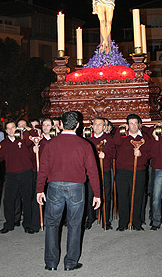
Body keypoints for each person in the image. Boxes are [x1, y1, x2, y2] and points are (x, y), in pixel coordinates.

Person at [36, 111, 101, 271]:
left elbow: (42, 169)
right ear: (78, 125)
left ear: (60, 125)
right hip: (76, 188)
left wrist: (39, 189)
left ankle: (50, 263)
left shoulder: (51, 144)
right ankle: (70, 262)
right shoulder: (85, 145)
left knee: (52, 224)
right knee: (74, 224)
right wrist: (97, 194)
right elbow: (93, 171)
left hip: (54, 187)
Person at [0, 121, 40, 234]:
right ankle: (9, 224)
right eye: (8, 128)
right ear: (6, 131)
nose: (11, 130)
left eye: (13, 127)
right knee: (8, 200)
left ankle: (27, 224)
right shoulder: (4, 143)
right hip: (11, 175)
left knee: (27, 199)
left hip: (26, 173)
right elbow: (0, 157)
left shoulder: (24, 139)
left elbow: (34, 138)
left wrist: (25, 128)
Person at [112, 113, 154, 231]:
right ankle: (123, 223)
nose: (134, 126)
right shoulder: (122, 135)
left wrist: (141, 155)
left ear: (139, 124)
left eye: (135, 123)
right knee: (123, 197)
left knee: (137, 197)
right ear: (127, 125)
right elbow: (115, 143)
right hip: (123, 171)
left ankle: (136, 222)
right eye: (131, 123)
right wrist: (120, 130)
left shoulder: (145, 138)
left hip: (139, 170)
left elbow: (150, 152)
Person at [83, 117, 115, 230]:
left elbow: (114, 153)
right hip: (91, 173)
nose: (97, 127)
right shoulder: (87, 139)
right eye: (95, 124)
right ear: (92, 126)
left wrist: (106, 155)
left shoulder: (109, 138)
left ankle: (106, 220)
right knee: (89, 195)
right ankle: (90, 218)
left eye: (100, 125)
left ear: (104, 127)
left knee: (106, 195)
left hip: (104, 170)